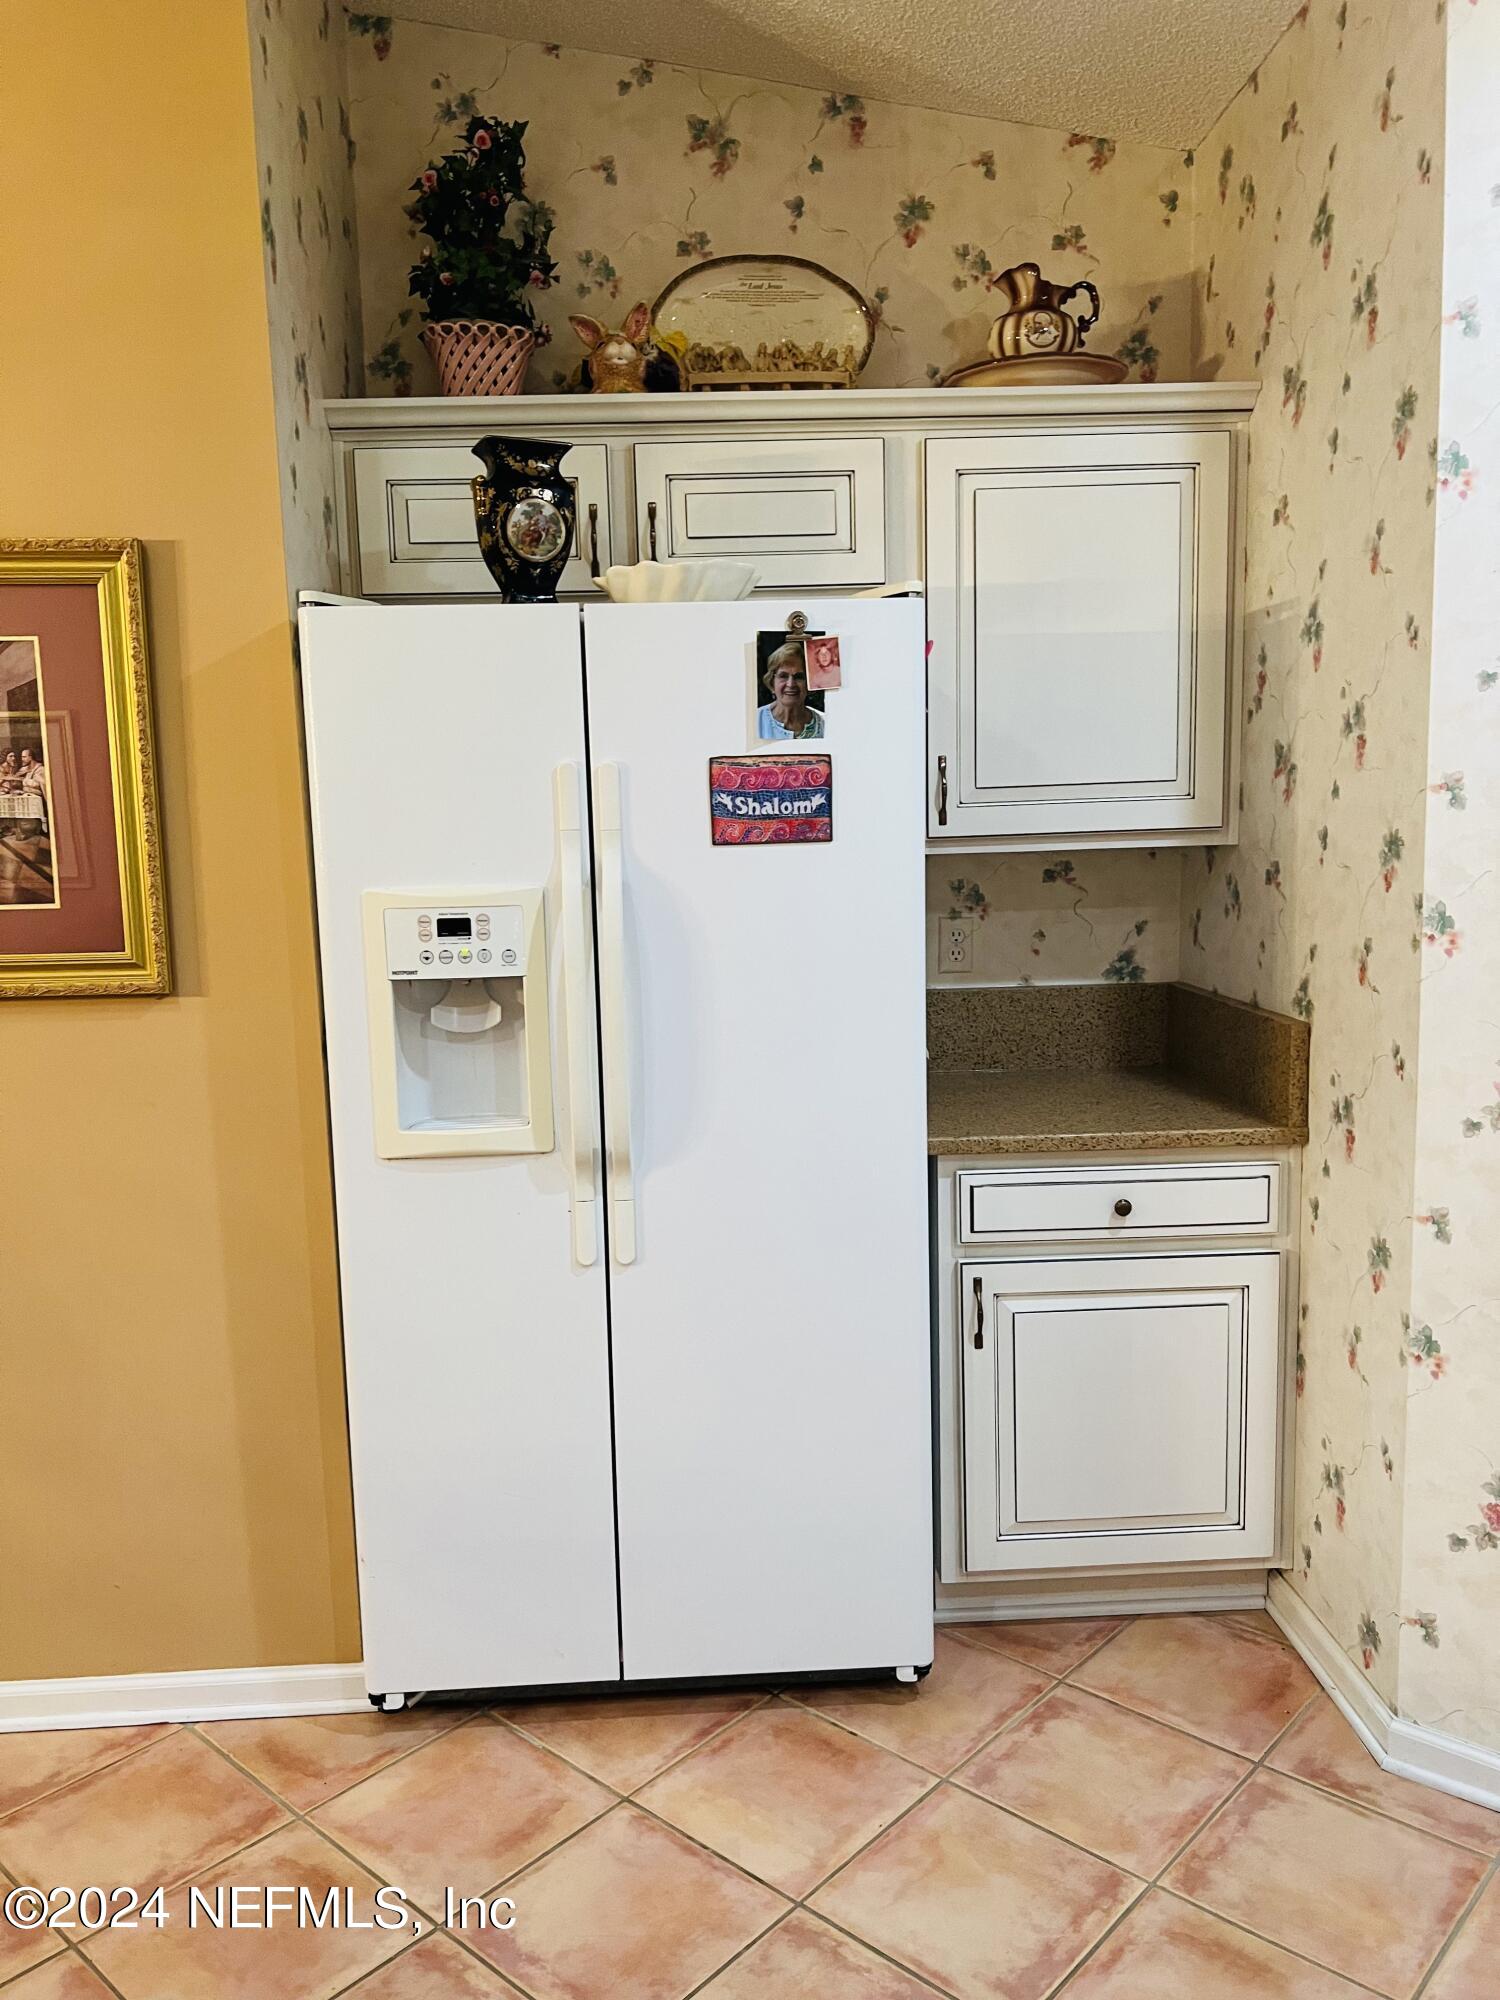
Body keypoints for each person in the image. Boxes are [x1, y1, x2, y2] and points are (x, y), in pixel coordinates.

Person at [756, 642, 825, 740]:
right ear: (772, 682)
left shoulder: (825, 723)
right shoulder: (754, 721)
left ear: (809, 683)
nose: (791, 684)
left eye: (799, 677)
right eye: (783, 676)